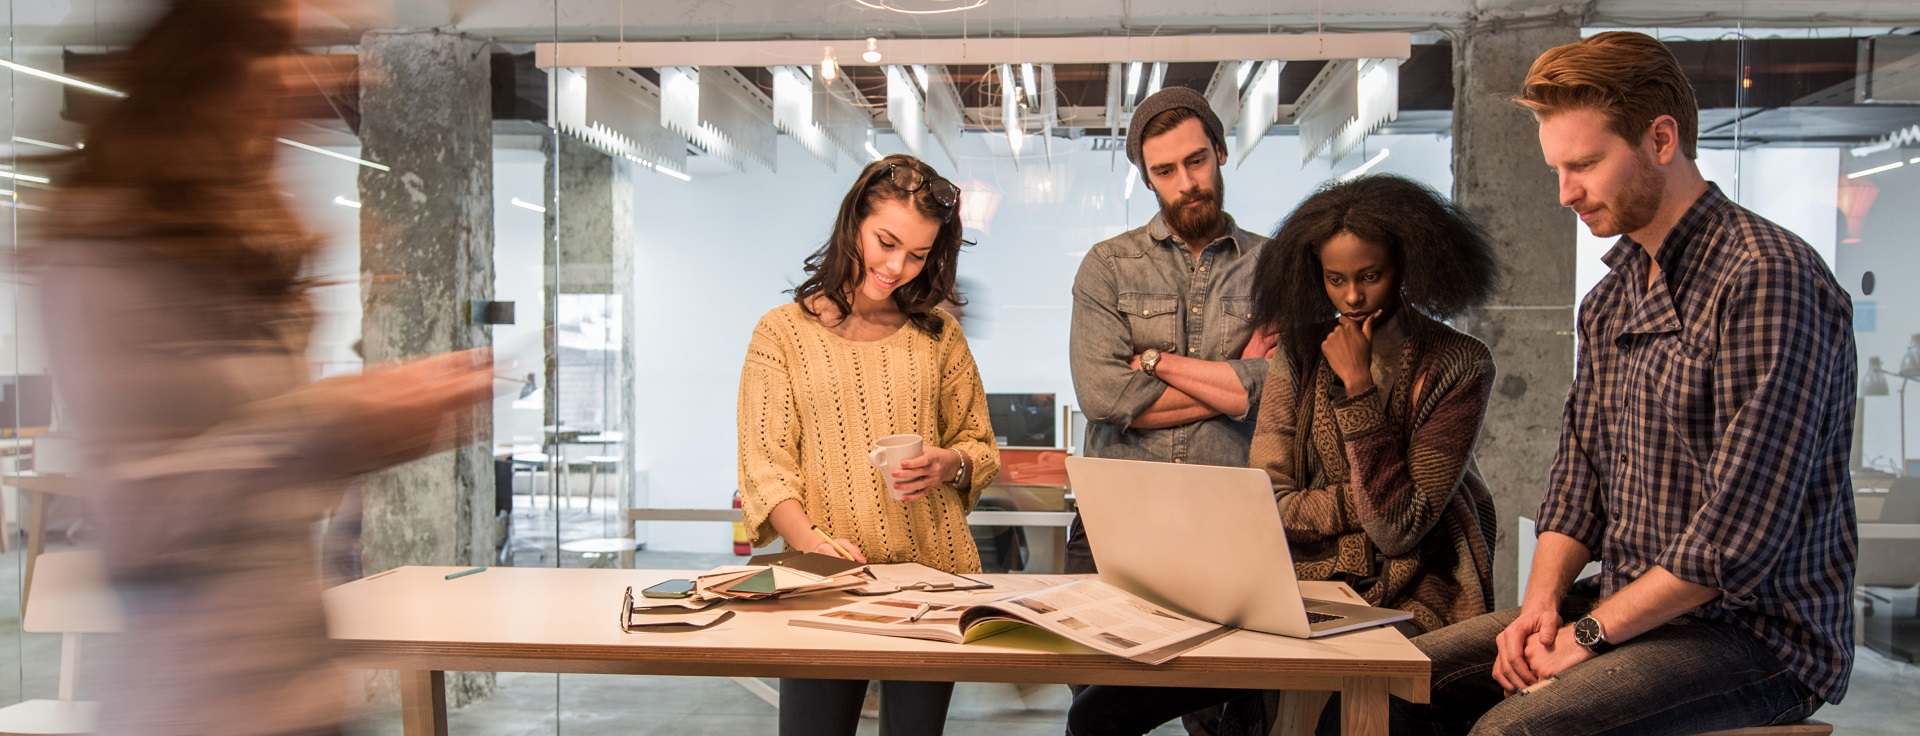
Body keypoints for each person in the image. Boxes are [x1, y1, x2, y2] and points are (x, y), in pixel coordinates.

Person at [31, 2, 496, 735]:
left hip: (298, 693)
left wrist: (371, 431)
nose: (330, 73)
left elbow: (260, 490)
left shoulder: (234, 254)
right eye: (285, 50)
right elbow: (141, 526)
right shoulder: (102, 250)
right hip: (195, 709)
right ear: (207, 70)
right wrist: (331, 425)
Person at [1384, 31, 1857, 735]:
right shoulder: (1610, 299)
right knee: (1394, 683)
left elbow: (1733, 542)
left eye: (1585, 165)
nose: (1565, 192)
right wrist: (1543, 604)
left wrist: (1589, 636)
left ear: (1661, 139)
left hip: (1757, 634)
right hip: (1627, 603)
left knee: (1513, 730)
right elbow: (1577, 483)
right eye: (1558, 168)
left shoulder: (1765, 277)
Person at [1068, 174, 1503, 736]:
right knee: (1098, 710)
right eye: (1335, 279)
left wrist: (1357, 391)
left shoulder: (1460, 363)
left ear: (1406, 265)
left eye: (1371, 276)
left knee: (1338, 722)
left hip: (1413, 598)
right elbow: (1269, 502)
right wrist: (1365, 504)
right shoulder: (1299, 352)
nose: (1352, 296)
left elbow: (1398, 531)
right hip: (1292, 590)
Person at [736, 153, 1001, 736]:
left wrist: (947, 464)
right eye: (886, 242)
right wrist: (811, 545)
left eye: (918, 254)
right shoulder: (781, 333)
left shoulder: (938, 334)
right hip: (822, 585)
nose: (897, 266)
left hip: (932, 582)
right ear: (853, 219)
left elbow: (979, 445)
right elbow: (765, 466)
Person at [1068, 86, 1276, 576]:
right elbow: (1104, 397)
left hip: (1232, 517)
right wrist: (1236, 387)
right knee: (1094, 653)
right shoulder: (1109, 266)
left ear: (1220, 152)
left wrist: (1158, 364)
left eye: (1197, 160)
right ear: (1148, 180)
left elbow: (1284, 390)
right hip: (1117, 514)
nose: (1186, 182)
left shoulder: (1273, 266)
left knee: (1225, 656)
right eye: (1165, 171)